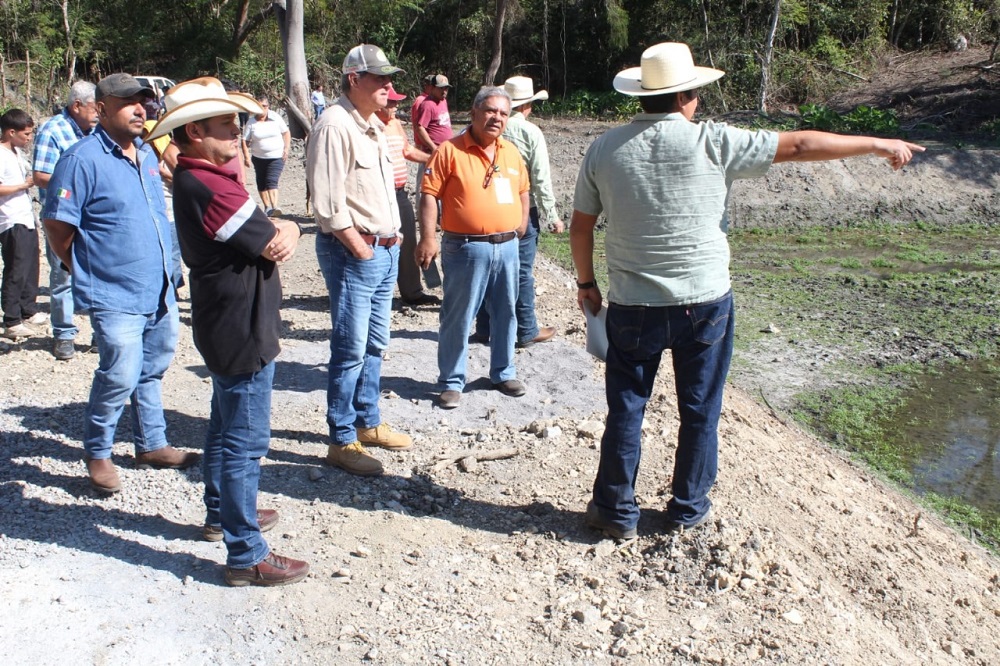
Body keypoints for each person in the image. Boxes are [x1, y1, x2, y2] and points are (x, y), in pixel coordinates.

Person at [570, 42, 924, 540]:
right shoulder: (714, 141)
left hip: (633, 304)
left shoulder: (604, 148)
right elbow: (799, 146)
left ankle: (614, 512)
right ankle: (687, 507)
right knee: (700, 409)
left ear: (644, 96)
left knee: (628, 407)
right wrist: (874, 143)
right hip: (704, 303)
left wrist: (587, 284)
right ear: (688, 96)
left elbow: (581, 227)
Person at [148, 76, 308, 586]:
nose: (236, 133)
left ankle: (222, 513)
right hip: (240, 327)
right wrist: (292, 227)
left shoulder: (202, 179)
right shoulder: (211, 185)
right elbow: (271, 242)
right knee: (245, 440)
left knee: (224, 425)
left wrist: (281, 227)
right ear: (194, 131)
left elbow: (266, 234)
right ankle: (246, 553)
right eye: (224, 125)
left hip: (228, 323)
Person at [42, 73, 199, 494]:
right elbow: (57, 226)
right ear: (103, 107)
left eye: (144, 102)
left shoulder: (147, 154)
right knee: (119, 373)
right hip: (115, 291)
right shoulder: (81, 159)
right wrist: (85, 269)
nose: (140, 109)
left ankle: (152, 444)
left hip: (160, 285)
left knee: (152, 369)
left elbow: (155, 214)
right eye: (129, 102)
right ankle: (98, 452)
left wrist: (172, 269)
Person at [305, 44, 414, 476]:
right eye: (380, 79)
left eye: (390, 79)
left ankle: (367, 421)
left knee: (375, 343)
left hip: (383, 249)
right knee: (349, 348)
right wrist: (362, 246)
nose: (389, 87)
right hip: (357, 251)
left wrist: (393, 238)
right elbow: (328, 205)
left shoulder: (369, 124)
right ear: (354, 79)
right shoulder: (334, 125)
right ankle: (342, 438)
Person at [416, 86, 529, 410]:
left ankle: (503, 372)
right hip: (465, 249)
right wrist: (428, 237)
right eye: (491, 111)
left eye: (503, 114)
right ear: (475, 111)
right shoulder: (449, 151)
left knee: (507, 313)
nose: (497, 118)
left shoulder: (510, 152)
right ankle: (452, 381)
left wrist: (521, 222)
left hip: (507, 248)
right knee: (458, 316)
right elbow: (428, 195)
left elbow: (523, 189)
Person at [473, 75, 562, 348]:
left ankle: (485, 328)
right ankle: (525, 328)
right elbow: (541, 178)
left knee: (489, 269)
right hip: (524, 210)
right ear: (528, 106)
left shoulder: (485, 128)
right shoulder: (531, 132)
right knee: (522, 272)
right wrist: (552, 214)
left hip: (489, 210)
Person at [32, 80, 99, 360]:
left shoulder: (97, 132)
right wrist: (76, 189)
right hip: (62, 216)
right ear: (77, 106)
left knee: (98, 274)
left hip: (92, 216)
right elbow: (41, 176)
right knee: (62, 277)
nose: (99, 112)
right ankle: (64, 334)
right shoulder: (53, 130)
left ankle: (100, 334)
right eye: (95, 107)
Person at [374, 84, 436, 307]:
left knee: (409, 240)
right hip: (379, 194)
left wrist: (432, 158)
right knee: (381, 242)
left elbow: (407, 151)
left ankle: (412, 292)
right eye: (391, 102)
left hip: (399, 193)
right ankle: (377, 293)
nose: (395, 105)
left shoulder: (395, 124)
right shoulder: (370, 125)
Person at [0, 109, 43, 340]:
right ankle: (12, 319)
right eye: (25, 134)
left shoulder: (16, 153)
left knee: (31, 265)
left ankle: (28, 309)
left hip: (26, 216)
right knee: (16, 268)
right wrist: (22, 186)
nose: (29, 138)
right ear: (11, 131)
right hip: (10, 219)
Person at [241, 95, 290, 216]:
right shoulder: (251, 122)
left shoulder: (276, 118)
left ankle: (275, 207)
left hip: (276, 156)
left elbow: (286, 132)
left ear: (268, 106)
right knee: (261, 181)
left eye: (264, 106)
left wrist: (286, 148)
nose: (262, 109)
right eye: (259, 106)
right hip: (258, 157)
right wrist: (246, 156)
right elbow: (244, 140)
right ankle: (267, 207)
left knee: (271, 180)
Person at [412, 74, 452, 154]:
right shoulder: (427, 104)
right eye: (441, 88)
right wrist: (433, 148)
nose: (444, 91)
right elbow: (420, 128)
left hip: (446, 150)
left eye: (446, 88)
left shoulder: (443, 101)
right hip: (433, 152)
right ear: (433, 88)